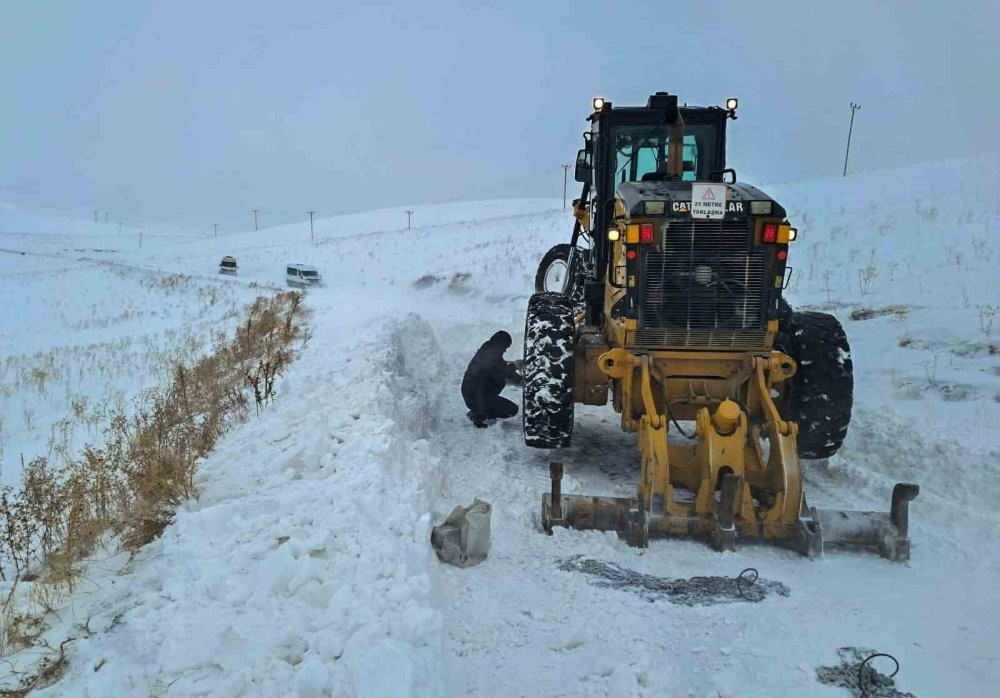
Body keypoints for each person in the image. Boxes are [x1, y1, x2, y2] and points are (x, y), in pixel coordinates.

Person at [462, 331, 522, 428]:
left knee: (499, 384)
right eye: (505, 347)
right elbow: (500, 373)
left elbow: (502, 368)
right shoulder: (489, 355)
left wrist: (520, 379)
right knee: (512, 410)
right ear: (501, 344)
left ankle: (478, 410)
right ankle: (479, 414)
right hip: (476, 397)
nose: (505, 351)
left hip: (473, 395)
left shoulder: (488, 351)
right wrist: (514, 365)